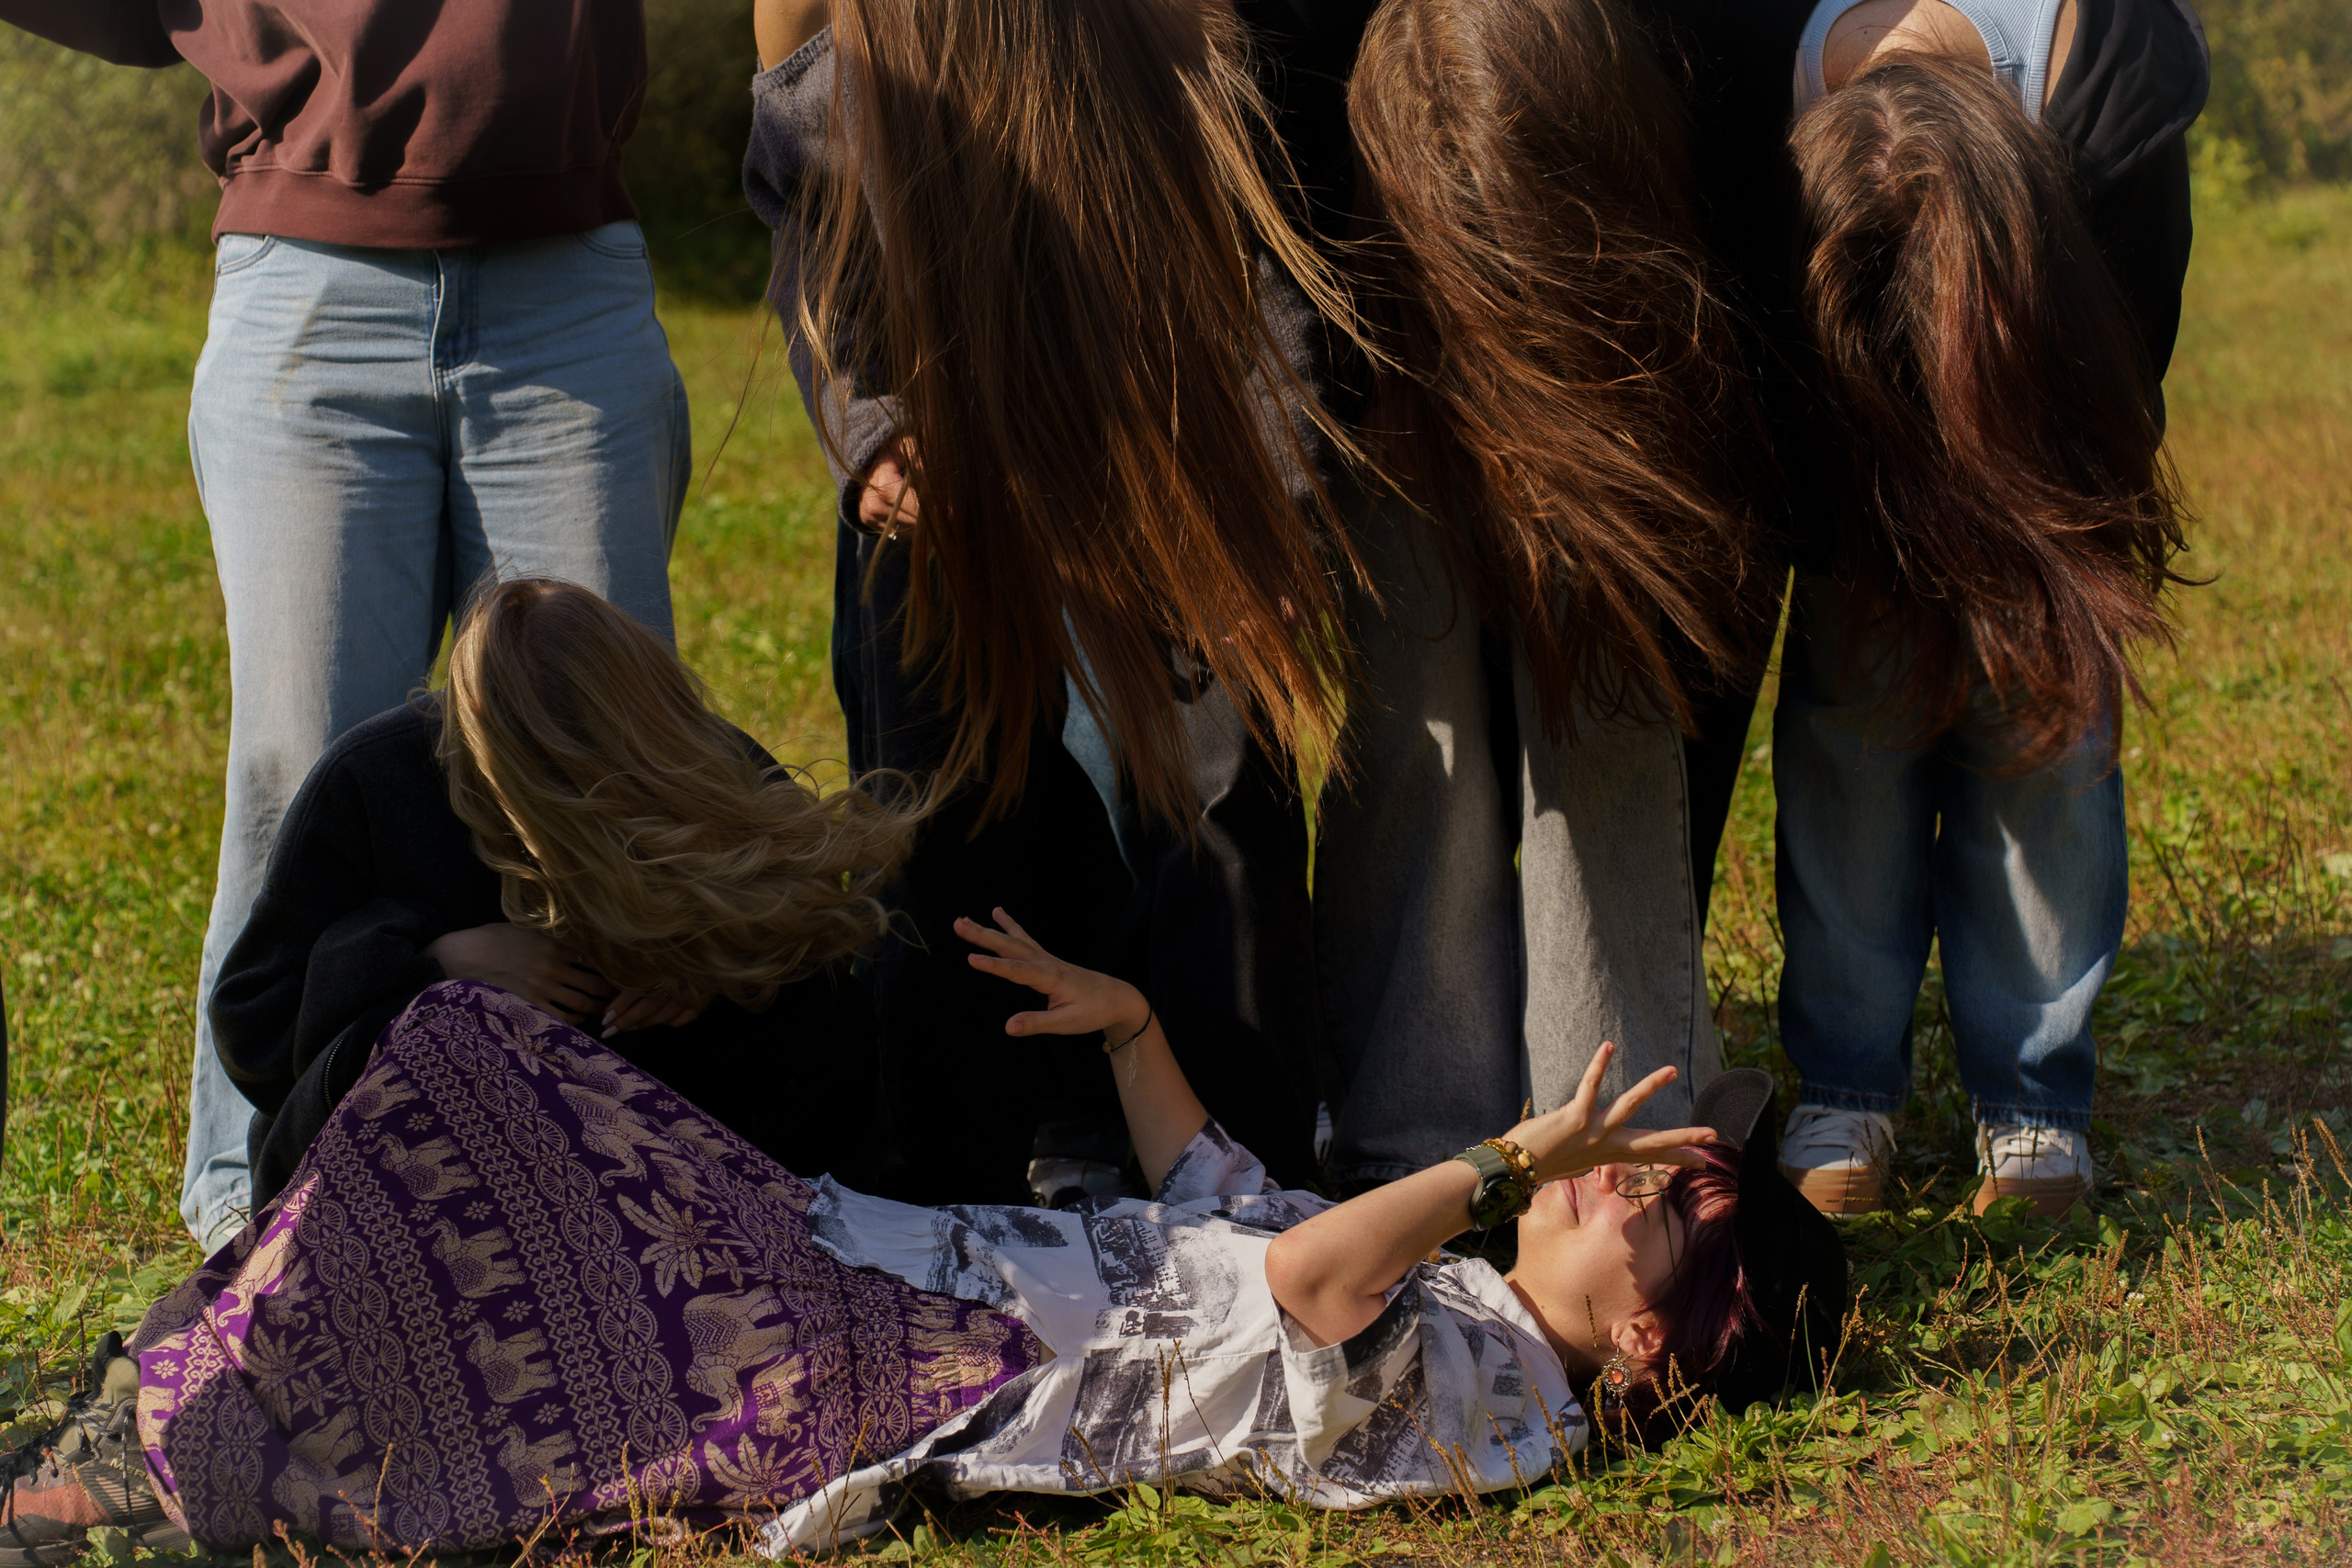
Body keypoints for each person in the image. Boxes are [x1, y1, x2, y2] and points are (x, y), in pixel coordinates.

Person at [0, 912, 1846, 1562]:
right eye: (1643, 1158)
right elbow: (1227, 1201)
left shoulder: (1483, 1401)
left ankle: (150, 1448)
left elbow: (1296, 1285)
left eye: (1674, 1206)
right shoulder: (1461, 1295)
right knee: (449, 1045)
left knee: (464, 1076)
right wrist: (1128, 1026)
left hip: (884, 1344)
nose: (1626, 1172)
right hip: (872, 1257)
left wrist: (1500, 1143)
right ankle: (168, 1401)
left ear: (1654, 1348)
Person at [0, 2, 693, 1251]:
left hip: (570, 286)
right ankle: (250, 1187)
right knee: (296, 765)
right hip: (308, 283)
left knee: (617, 774)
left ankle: (628, 1173)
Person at [741, 0, 1374, 1199]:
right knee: (939, 815)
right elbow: (810, 194)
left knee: (1219, 798)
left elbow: (1258, 213)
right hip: (937, 409)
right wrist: (867, 426)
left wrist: (1274, 500)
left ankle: (1246, 1183)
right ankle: (949, 1191)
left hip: (1170, 402)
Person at [1312, 0, 1774, 1187]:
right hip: (1359, 242)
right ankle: (1412, 1143)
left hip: (1607, 224)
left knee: (1604, 657)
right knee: (1412, 689)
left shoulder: (1718, 62)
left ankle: (1627, 1140)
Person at [1768, 0, 2203, 1215]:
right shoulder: (1777, 54)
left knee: (2043, 756)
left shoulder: (2114, 72)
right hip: (1851, 445)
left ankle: (2031, 1103)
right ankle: (1847, 1083)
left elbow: (2138, 333)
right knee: (1850, 749)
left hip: (2040, 424)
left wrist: (2055, 502)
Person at [207, 578, 913, 1211]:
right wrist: (433, 968)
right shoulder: (375, 782)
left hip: (662, 1177)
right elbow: (257, 1032)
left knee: (813, 1007)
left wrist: (717, 968)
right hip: (436, 1197)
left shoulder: (700, 754)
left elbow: (816, 941)